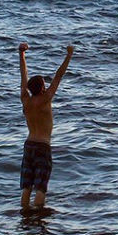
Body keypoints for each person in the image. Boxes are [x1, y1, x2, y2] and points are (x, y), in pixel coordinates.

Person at [18, 42, 74, 209]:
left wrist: (21, 54)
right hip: (43, 146)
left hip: (28, 145)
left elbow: (23, 75)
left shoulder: (25, 100)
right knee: (40, 188)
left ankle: (25, 218)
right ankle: (38, 218)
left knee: (27, 187)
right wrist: (69, 55)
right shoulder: (45, 99)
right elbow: (59, 75)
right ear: (42, 88)